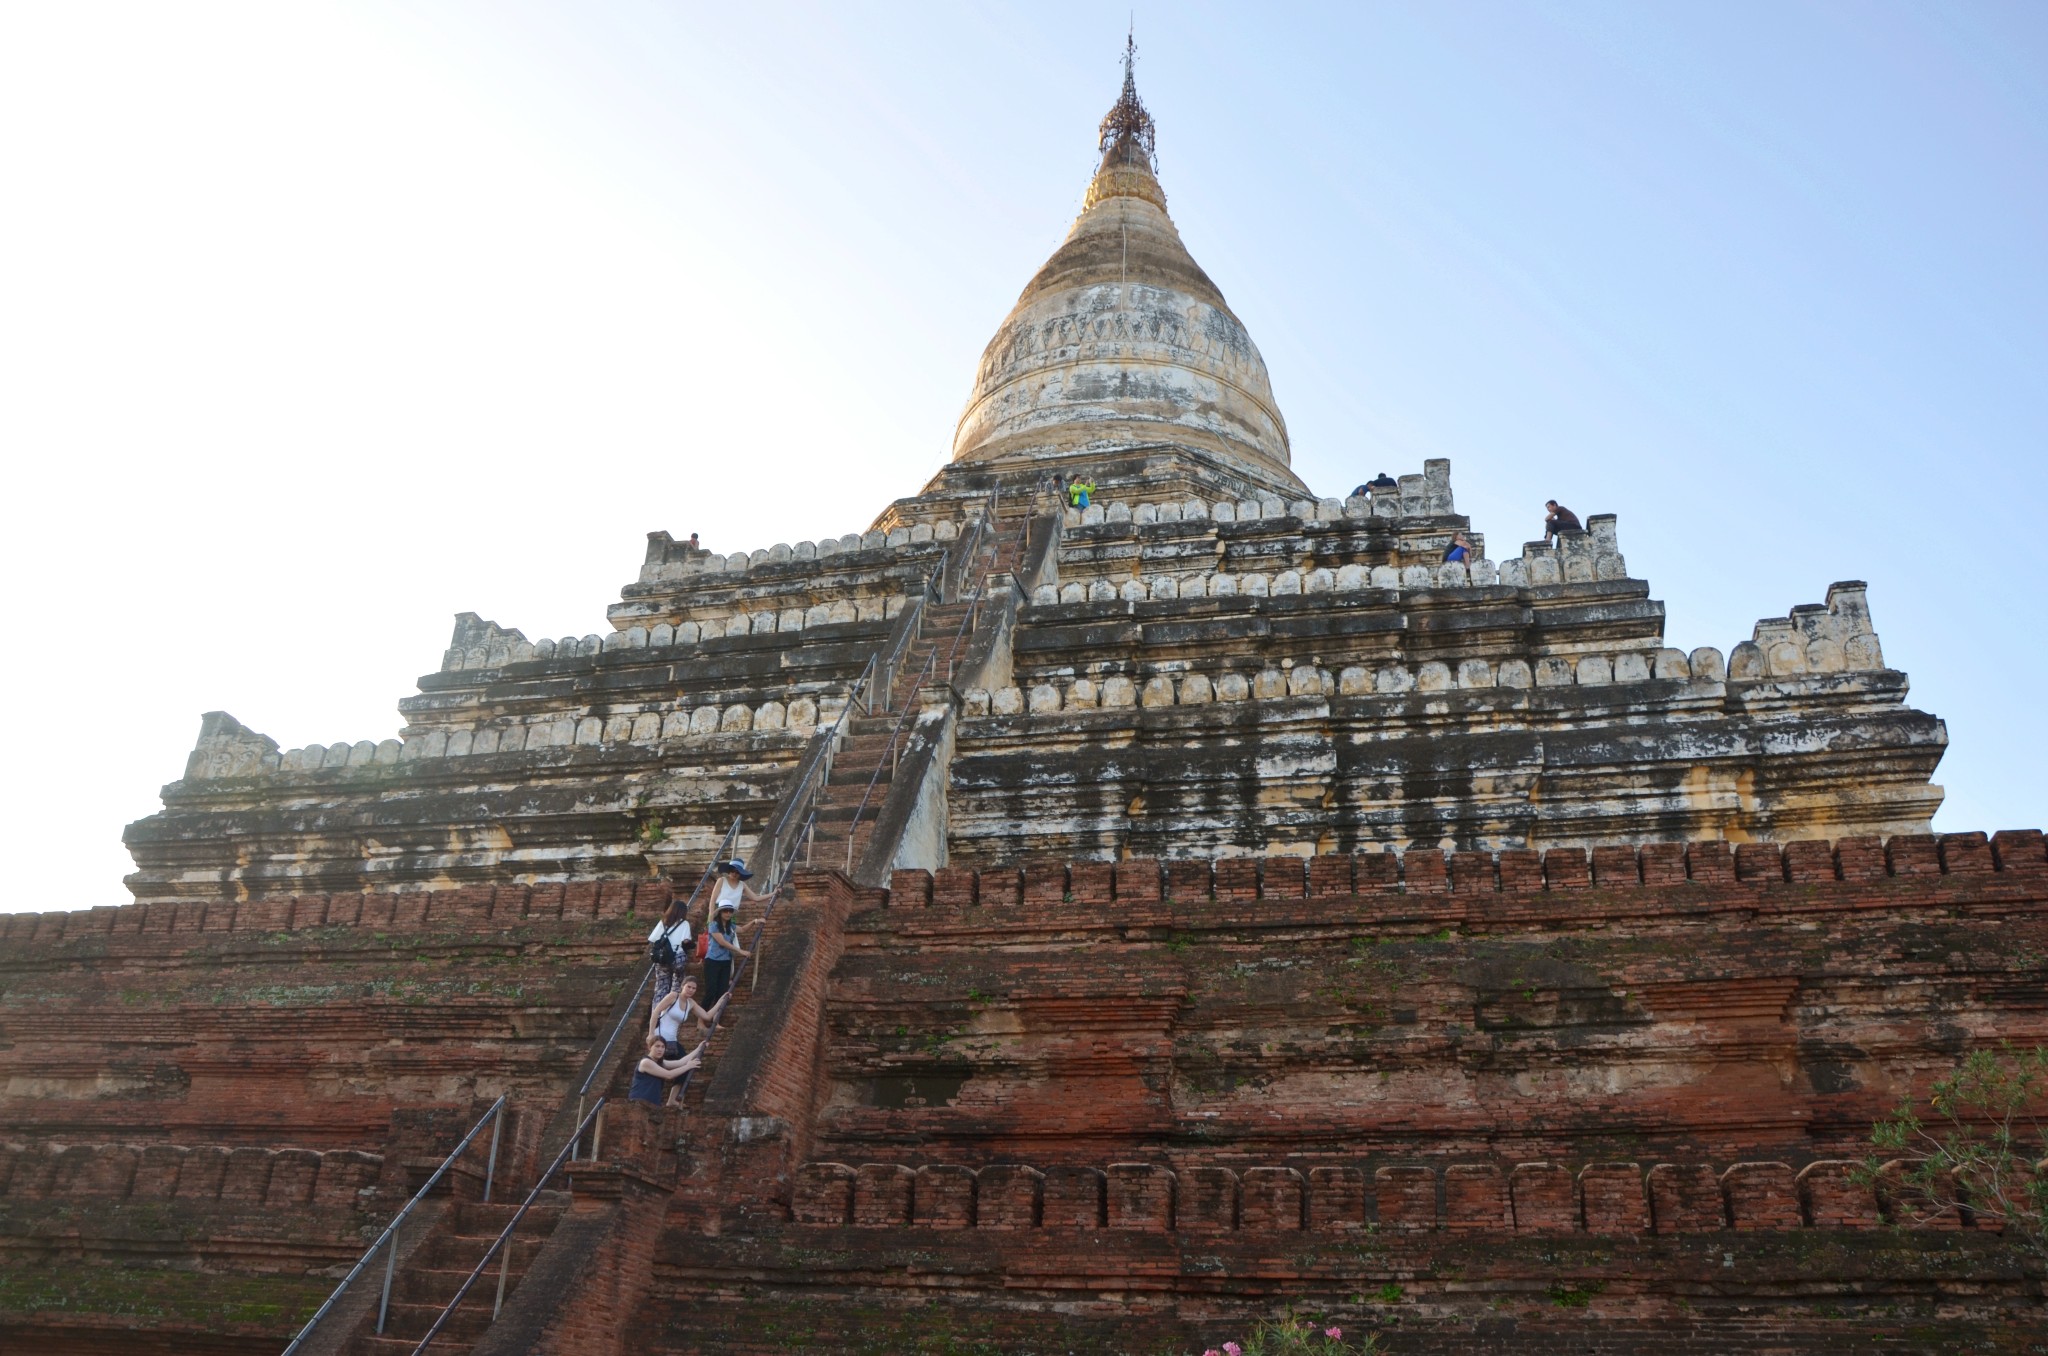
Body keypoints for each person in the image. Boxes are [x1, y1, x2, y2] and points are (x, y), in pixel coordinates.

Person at [702, 894, 764, 1010]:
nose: (728, 913)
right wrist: (740, 951)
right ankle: (701, 1019)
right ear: (720, 912)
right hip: (713, 961)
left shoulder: (731, 926)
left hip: (726, 962)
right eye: (725, 911)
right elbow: (722, 942)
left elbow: (743, 929)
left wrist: (754, 921)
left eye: (730, 911)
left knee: (722, 992)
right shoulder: (713, 925)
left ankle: (716, 1018)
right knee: (711, 990)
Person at [650, 976, 725, 1061]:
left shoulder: (690, 1003)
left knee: (683, 1064)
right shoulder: (673, 996)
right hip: (660, 1037)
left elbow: (707, 1016)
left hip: (672, 1041)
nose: (691, 990)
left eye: (694, 988)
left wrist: (720, 1002)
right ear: (682, 986)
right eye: (688, 987)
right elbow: (656, 1012)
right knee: (672, 1064)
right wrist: (651, 1034)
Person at [645, 894, 694, 1011]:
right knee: (677, 987)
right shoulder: (684, 923)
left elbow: (653, 939)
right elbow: (686, 941)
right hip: (677, 957)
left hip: (662, 958)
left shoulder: (663, 922)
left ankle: (656, 1015)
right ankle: (671, 1011)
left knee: (661, 987)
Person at [627, 1036, 703, 1107]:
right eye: (657, 1046)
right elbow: (669, 1075)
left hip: (653, 1104)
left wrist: (699, 1048)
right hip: (639, 1103)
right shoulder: (646, 1062)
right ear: (649, 1047)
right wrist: (688, 1066)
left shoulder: (660, 1062)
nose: (660, 1049)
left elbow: (680, 1062)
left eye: (663, 1047)